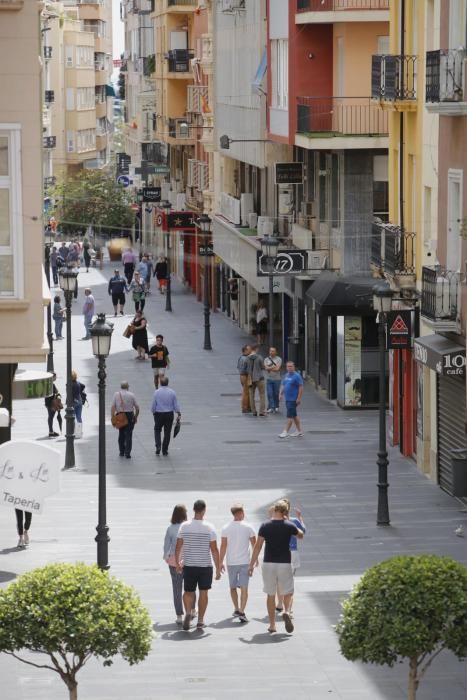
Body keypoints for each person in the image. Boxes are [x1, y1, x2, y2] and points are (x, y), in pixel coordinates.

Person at [248, 500, 303, 634]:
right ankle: (287, 611)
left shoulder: (265, 525)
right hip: (284, 563)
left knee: (270, 594)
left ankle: (272, 625)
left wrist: (251, 564)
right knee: (288, 591)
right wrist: (292, 522)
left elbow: (258, 546)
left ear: (275, 510)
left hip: (268, 563)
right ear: (285, 512)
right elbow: (301, 535)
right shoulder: (289, 525)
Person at [175, 499, 221, 631]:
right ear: (204, 510)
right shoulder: (209, 527)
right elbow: (214, 550)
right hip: (205, 566)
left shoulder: (184, 526)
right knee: (203, 593)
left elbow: (178, 547)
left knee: (188, 592)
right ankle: (200, 621)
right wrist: (218, 568)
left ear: (194, 510)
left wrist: (178, 563)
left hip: (189, 565)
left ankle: (188, 611)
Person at [219, 504, 256, 623]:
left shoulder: (226, 527)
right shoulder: (249, 526)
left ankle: (236, 608)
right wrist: (255, 561)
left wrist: (220, 562)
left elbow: (223, 547)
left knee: (233, 587)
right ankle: (242, 610)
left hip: (231, 562)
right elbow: (254, 545)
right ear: (241, 513)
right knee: (244, 588)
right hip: (245, 562)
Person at [163, 504, 195, 625]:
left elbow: (166, 546)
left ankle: (179, 616)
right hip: (188, 560)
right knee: (190, 587)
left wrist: (166, 557)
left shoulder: (170, 528)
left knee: (176, 588)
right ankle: (191, 610)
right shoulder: (187, 527)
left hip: (173, 561)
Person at [274, 498, 306, 614]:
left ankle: (279, 603)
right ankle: (288, 609)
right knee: (290, 581)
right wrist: (300, 518)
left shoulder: (274, 522)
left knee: (279, 580)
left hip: (280, 553)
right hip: (293, 553)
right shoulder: (294, 521)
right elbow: (303, 531)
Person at [151, 377, 180, 456]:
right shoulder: (172, 392)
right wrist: (178, 412)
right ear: (168, 382)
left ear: (160, 382)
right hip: (169, 414)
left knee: (157, 429)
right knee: (167, 432)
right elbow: (175, 404)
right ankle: (165, 449)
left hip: (159, 414)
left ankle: (158, 446)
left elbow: (154, 404)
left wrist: (153, 411)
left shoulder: (156, 392)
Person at [110, 381, 139, 459]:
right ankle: (127, 452)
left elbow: (113, 406)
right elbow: (137, 407)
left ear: (121, 387)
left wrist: (112, 416)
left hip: (120, 415)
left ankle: (121, 451)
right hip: (129, 415)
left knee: (121, 433)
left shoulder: (116, 394)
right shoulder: (131, 395)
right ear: (128, 387)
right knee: (129, 434)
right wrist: (136, 416)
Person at [278, 361, 304, 438]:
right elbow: (283, 385)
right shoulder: (286, 375)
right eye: (288, 366)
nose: (289, 368)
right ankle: (299, 431)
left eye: (291, 366)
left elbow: (301, 387)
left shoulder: (297, 376)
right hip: (288, 399)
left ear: (294, 367)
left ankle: (285, 431)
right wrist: (281, 394)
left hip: (293, 399)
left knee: (290, 416)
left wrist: (299, 398)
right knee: (294, 415)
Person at [247, 344, 266, 417]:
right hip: (259, 378)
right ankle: (261, 412)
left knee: (251, 395)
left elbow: (246, 368)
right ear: (256, 349)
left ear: (251, 349)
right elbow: (262, 367)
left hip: (250, 379)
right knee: (262, 394)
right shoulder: (259, 357)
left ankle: (254, 411)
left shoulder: (247, 358)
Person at [264, 347, 282, 414]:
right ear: (269, 352)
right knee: (269, 393)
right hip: (269, 379)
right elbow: (266, 368)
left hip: (277, 379)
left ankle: (276, 406)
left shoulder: (279, 359)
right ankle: (271, 407)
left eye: (273, 351)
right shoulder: (266, 359)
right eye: (271, 351)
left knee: (276, 393)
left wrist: (269, 368)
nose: (272, 352)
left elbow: (277, 369)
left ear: (276, 352)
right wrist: (274, 367)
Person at [237, 345, 251, 413]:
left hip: (241, 375)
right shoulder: (246, 358)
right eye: (248, 350)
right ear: (245, 351)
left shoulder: (240, 358)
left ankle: (247, 406)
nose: (250, 351)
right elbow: (248, 369)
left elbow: (238, 367)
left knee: (246, 392)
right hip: (245, 376)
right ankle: (245, 408)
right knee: (246, 392)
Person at [71, 370, 85, 439]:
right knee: (79, 417)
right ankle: (79, 432)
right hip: (79, 401)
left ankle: (73, 432)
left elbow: (70, 394)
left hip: (73, 402)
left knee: (72, 417)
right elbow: (83, 386)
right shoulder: (78, 383)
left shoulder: (70, 384)